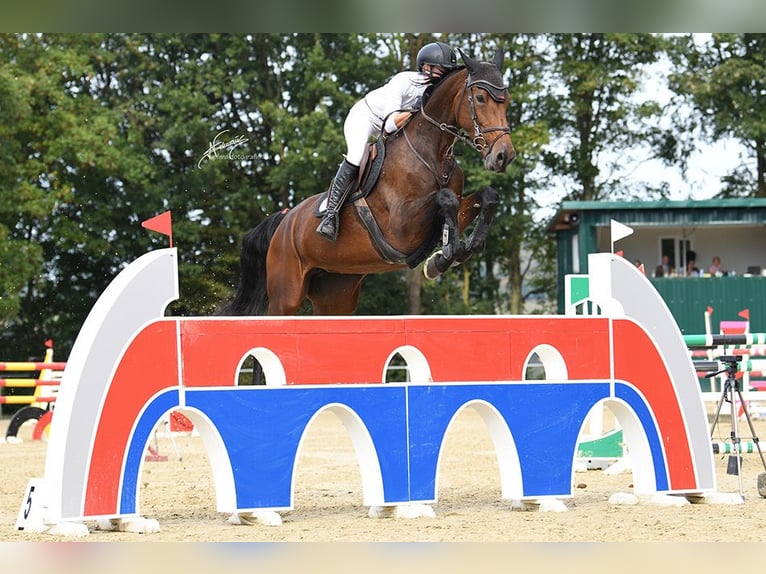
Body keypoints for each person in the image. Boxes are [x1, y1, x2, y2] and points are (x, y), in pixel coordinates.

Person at [316, 41, 459, 241]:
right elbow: (390, 124)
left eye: (447, 70)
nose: (443, 73)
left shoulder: (435, 92)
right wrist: (416, 110)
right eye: (440, 68)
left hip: (393, 128)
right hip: (366, 117)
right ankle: (330, 214)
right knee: (356, 156)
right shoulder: (404, 81)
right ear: (426, 66)